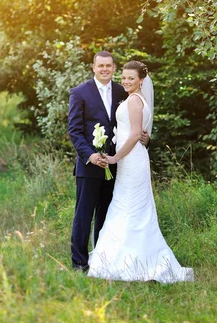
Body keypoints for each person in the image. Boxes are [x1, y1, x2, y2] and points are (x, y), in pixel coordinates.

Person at [88, 61, 194, 283]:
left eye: (131, 78)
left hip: (132, 161)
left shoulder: (135, 101)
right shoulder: (134, 99)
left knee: (131, 207)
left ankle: (132, 260)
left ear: (141, 81)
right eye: (124, 78)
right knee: (125, 205)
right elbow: (138, 133)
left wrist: (116, 157)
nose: (126, 81)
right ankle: (123, 257)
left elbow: (136, 134)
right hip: (131, 161)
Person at [68, 51, 148, 271]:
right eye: (100, 65)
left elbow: (133, 124)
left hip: (117, 164)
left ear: (114, 68)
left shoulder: (123, 91)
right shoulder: (79, 93)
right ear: (93, 67)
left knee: (107, 214)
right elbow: (74, 131)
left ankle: (103, 260)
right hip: (89, 165)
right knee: (83, 215)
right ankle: (79, 263)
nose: (105, 69)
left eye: (109, 66)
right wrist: (91, 155)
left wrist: (145, 136)